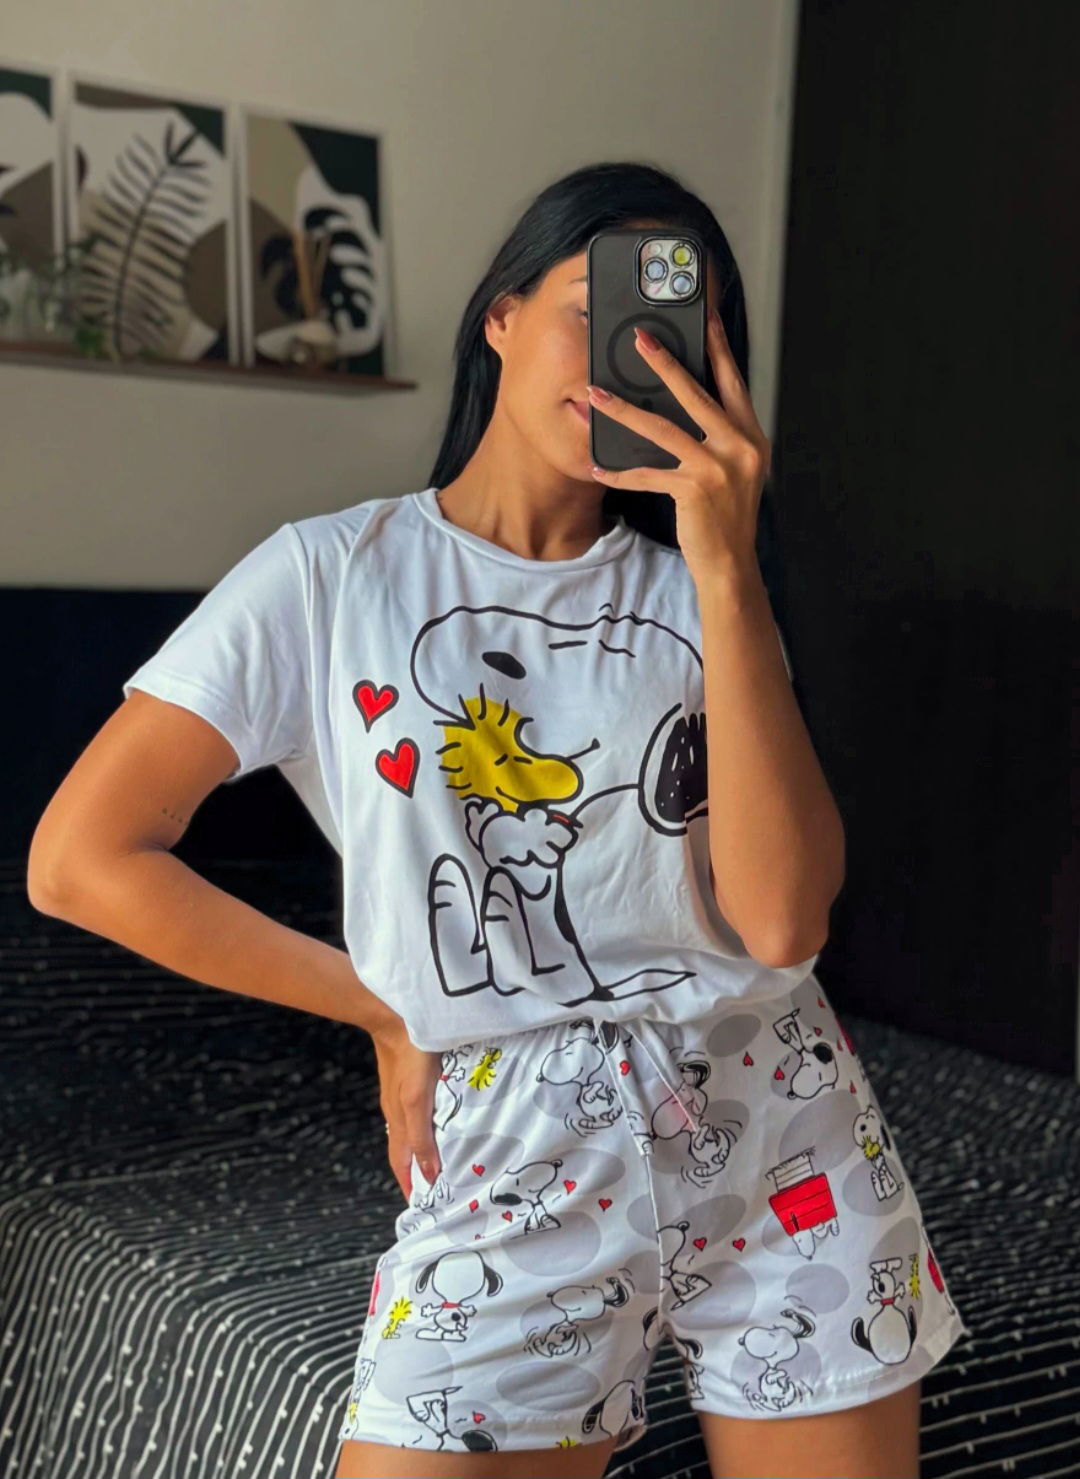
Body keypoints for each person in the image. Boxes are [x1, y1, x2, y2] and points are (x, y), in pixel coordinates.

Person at [28, 161, 971, 1479]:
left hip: (779, 1119)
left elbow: (781, 920)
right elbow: (80, 860)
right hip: (518, 1142)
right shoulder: (330, 577)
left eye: (677, 336)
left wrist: (726, 566)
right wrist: (382, 1009)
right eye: (598, 312)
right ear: (502, 315)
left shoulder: (708, 591)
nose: (636, 359)